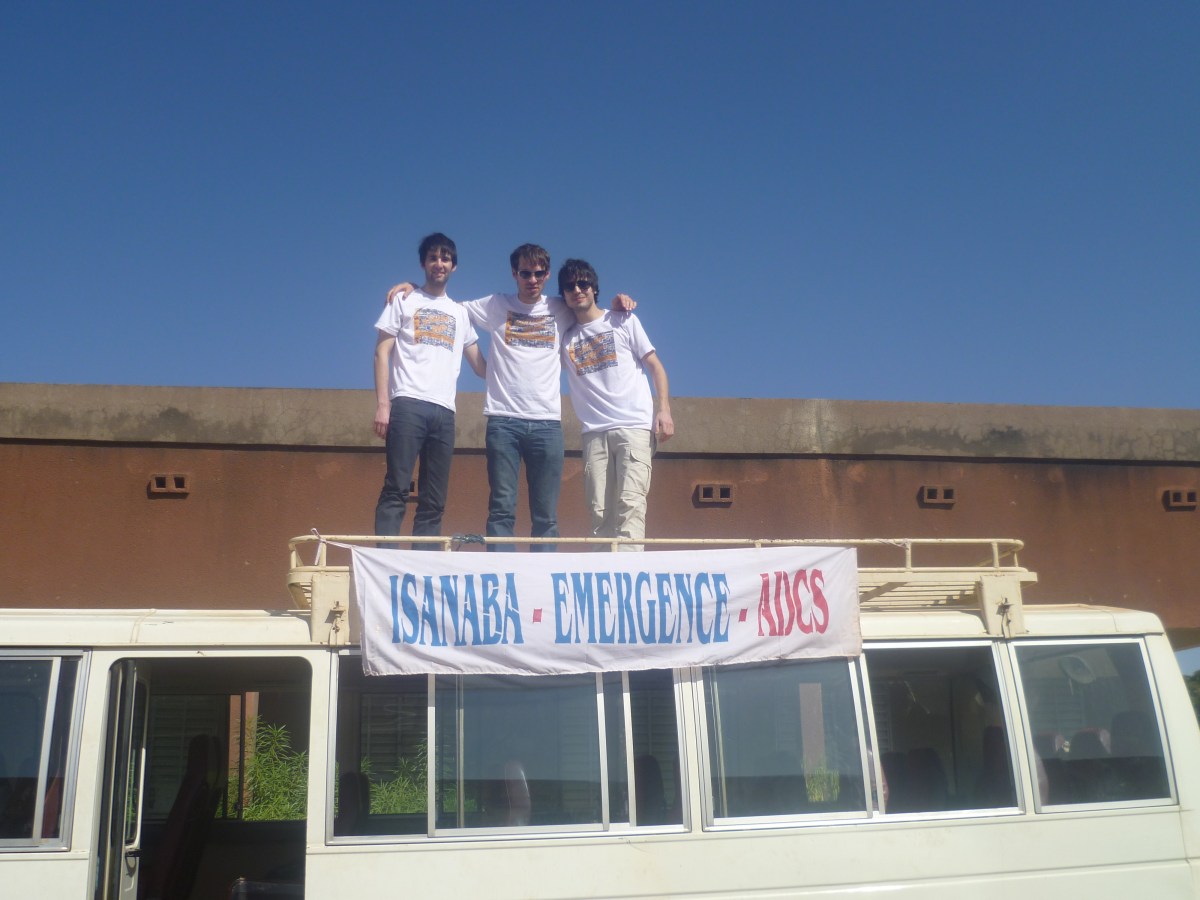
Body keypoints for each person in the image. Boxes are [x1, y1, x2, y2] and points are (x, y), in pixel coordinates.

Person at [387, 244, 633, 552]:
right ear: (515, 274)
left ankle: (541, 575)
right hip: (503, 423)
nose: (533, 280)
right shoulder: (495, 305)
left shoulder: (561, 307)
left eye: (539, 273)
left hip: (546, 424)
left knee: (546, 516)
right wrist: (414, 288)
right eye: (525, 273)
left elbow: (590, 309)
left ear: (547, 275)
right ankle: (503, 574)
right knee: (501, 510)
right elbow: (446, 305)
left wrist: (618, 303)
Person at [373, 233, 486, 546]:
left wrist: (524, 361)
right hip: (407, 404)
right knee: (396, 487)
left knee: (434, 499)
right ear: (423, 263)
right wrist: (383, 404)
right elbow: (382, 352)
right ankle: (385, 559)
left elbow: (481, 367)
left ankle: (422, 561)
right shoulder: (404, 300)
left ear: (454, 266)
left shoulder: (460, 313)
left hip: (444, 413)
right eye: (433, 258)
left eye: (445, 258)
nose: (439, 263)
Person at [558, 259, 673, 550]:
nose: (577, 290)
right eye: (569, 286)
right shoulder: (565, 338)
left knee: (630, 507)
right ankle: (603, 576)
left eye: (583, 283)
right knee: (599, 514)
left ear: (594, 288)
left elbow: (656, 367)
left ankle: (629, 575)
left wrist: (664, 410)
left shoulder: (623, 320)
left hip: (634, 427)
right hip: (594, 433)